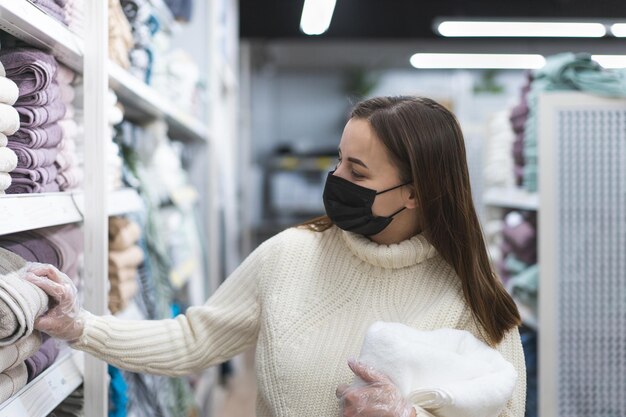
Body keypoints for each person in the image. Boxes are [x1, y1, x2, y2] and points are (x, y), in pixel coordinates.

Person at [26, 96, 526, 417]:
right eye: (338, 161)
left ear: (415, 193)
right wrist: (81, 327)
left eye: (358, 171)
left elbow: (505, 409)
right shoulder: (290, 255)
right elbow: (193, 338)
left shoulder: (471, 295)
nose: (336, 180)